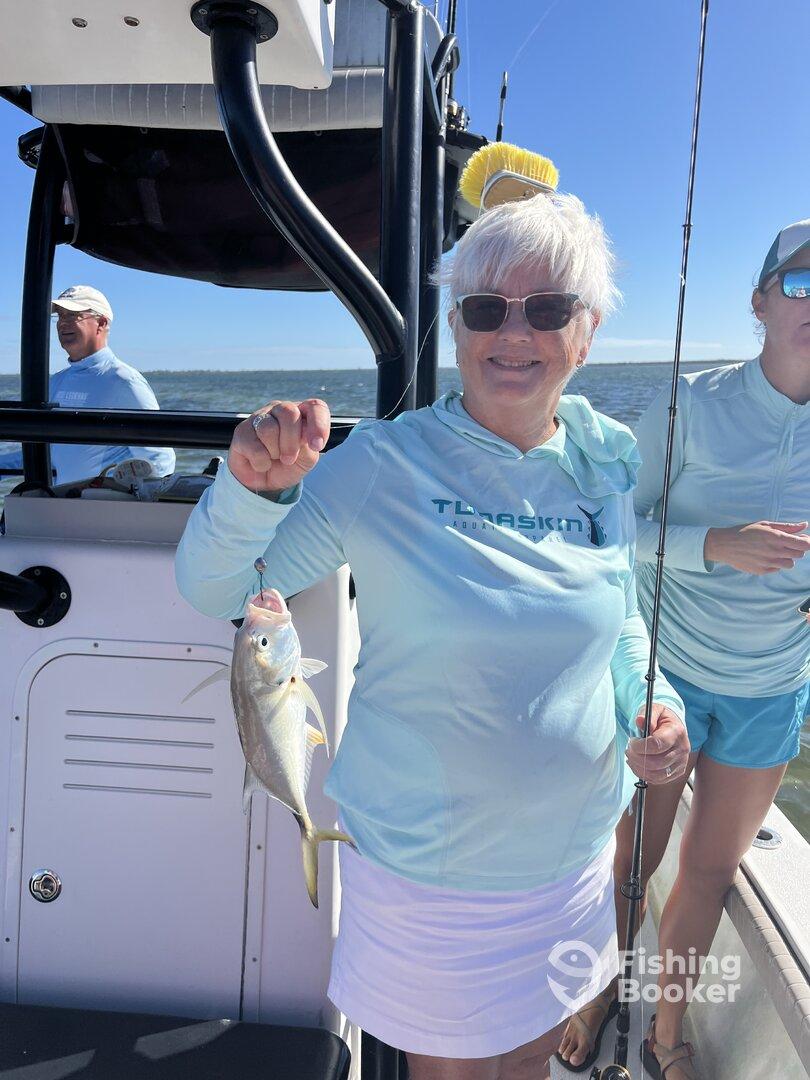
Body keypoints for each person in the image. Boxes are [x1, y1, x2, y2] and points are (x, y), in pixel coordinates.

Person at [175, 192, 689, 1080]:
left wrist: (659, 707)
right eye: (486, 308)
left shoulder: (604, 468)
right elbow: (217, 588)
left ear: (589, 329)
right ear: (455, 325)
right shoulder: (383, 462)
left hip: (569, 858)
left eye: (548, 309)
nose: (514, 333)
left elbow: (622, 628)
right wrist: (252, 491)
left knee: (531, 1057)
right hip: (429, 873)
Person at [557, 219, 810, 1079]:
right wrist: (716, 544)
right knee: (636, 860)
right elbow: (610, 536)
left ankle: (669, 1035)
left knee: (707, 873)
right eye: (802, 284)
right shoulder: (688, 405)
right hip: (672, 672)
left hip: (772, 688)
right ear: (760, 303)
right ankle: (596, 993)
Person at [0, 285, 175, 486]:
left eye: (73, 315)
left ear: (101, 323)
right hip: (59, 506)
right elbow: (45, 453)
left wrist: (125, 505)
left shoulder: (124, 381)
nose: (63, 323)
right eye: (60, 316)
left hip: (101, 510)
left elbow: (160, 461)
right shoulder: (56, 381)